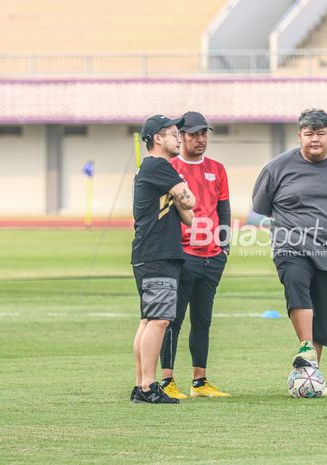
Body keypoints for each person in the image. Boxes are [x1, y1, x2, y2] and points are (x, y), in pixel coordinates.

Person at [251, 108, 327, 396]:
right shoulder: (276, 168)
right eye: (309, 134)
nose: (315, 139)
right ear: (299, 136)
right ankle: (306, 349)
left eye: (320, 133)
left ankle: (309, 376)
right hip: (292, 245)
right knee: (297, 284)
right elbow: (262, 208)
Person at [159, 111, 231, 399]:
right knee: (173, 320)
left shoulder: (217, 168)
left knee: (203, 321)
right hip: (183, 255)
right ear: (181, 136)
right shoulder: (170, 168)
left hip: (212, 256)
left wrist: (224, 248)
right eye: (193, 135)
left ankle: (199, 382)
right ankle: (167, 380)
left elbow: (223, 209)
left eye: (204, 134)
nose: (200, 139)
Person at [130, 115, 196, 404]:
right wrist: (180, 192)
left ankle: (140, 385)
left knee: (148, 321)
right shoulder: (159, 166)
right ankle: (147, 386)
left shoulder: (156, 170)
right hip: (158, 254)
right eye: (173, 134)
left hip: (151, 254)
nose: (179, 138)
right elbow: (191, 201)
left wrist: (179, 196)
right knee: (159, 321)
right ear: (158, 138)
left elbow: (188, 217)